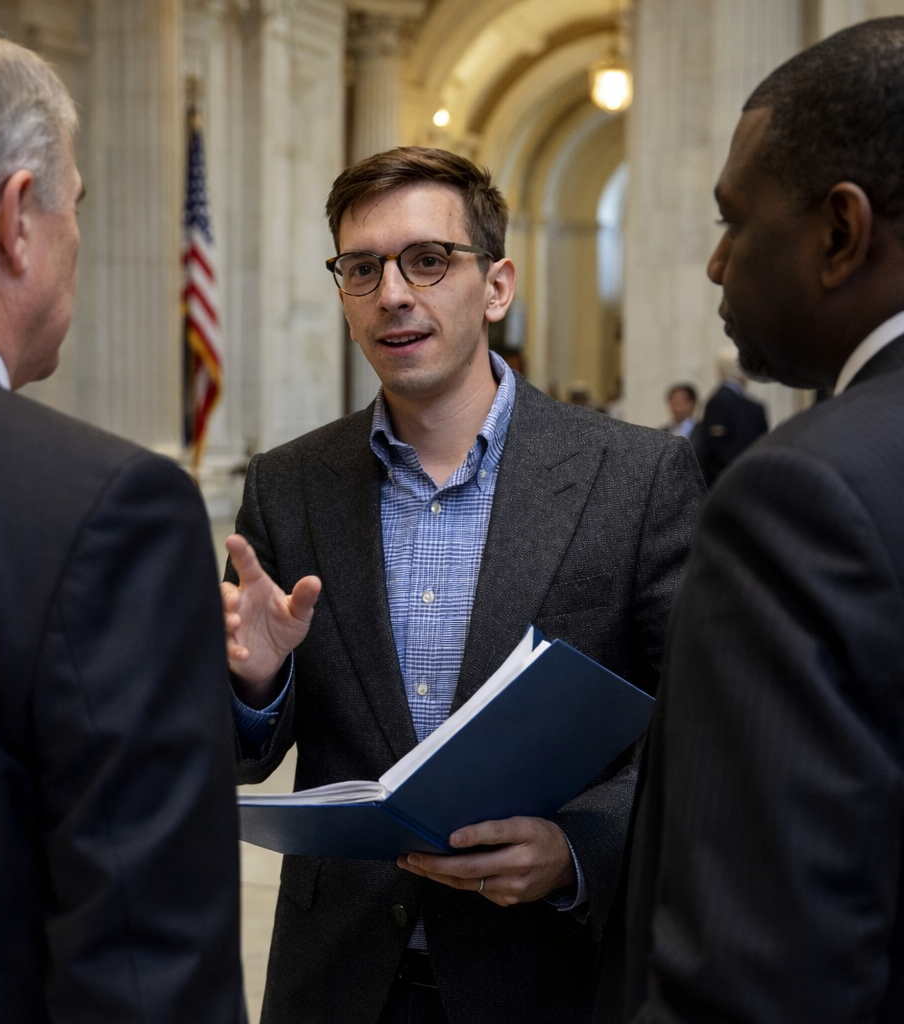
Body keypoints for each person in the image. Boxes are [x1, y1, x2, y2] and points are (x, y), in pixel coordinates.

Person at [222, 146, 704, 1024]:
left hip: (548, 973)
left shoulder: (636, 480)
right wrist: (254, 683)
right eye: (361, 268)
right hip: (340, 983)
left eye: (428, 260)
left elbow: (699, 738)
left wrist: (577, 847)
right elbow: (242, 749)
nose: (393, 293)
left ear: (496, 286)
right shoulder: (287, 486)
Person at [0, 23, 243, 1023]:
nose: (76, 234)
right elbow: (147, 969)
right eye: (73, 204)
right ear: (16, 220)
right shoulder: (102, 510)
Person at [600, 17, 904, 1024]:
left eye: (735, 220)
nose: (717, 263)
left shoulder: (803, 499)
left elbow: (755, 975)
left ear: (838, 232)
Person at [695, 346, 767, 485]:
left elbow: (716, 448)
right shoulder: (752, 407)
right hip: (745, 480)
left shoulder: (718, 401)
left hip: (729, 482)